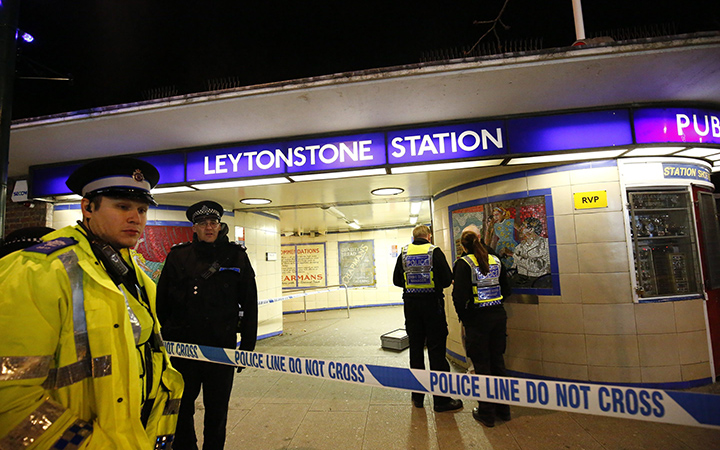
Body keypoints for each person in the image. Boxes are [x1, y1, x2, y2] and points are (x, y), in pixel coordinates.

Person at [0, 156, 184, 449]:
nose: (136, 218)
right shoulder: (37, 270)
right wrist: (87, 445)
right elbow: (10, 398)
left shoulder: (135, 276)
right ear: (87, 207)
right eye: (122, 207)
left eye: (141, 209)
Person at [157, 200, 258, 450]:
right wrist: (167, 339)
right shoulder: (178, 256)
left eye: (213, 223)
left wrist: (247, 345)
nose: (209, 227)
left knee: (217, 410)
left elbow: (249, 302)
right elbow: (162, 301)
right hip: (183, 349)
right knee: (181, 408)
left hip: (220, 348)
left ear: (220, 225)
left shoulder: (236, 256)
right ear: (195, 228)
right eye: (203, 223)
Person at [393, 225, 463, 412]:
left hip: (411, 307)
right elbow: (447, 280)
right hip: (433, 306)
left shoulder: (404, 253)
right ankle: (441, 401)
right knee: (436, 351)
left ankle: (417, 397)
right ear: (429, 236)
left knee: (415, 350)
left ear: (414, 237)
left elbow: (397, 281)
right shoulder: (435, 251)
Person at [453, 229, 511, 428]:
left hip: (477, 321)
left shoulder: (463, 264)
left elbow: (458, 298)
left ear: (463, 245)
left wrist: (465, 319)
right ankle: (504, 410)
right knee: (498, 362)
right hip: (498, 317)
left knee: (482, 366)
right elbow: (507, 289)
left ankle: (486, 412)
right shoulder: (495, 260)